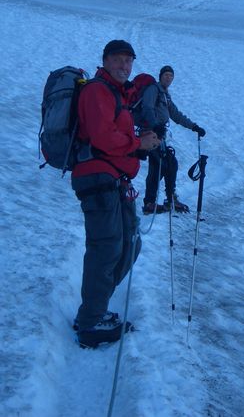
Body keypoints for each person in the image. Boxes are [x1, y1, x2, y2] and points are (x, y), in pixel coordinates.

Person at [71, 39, 160, 348]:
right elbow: (102, 136)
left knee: (129, 245)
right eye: (119, 60)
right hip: (97, 179)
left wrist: (141, 142)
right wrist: (138, 145)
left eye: (129, 61)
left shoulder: (117, 95)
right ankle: (90, 322)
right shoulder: (97, 90)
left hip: (114, 180)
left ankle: (92, 311)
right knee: (106, 247)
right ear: (105, 61)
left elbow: (115, 136)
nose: (125, 66)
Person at [139, 65, 205, 214]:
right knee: (164, 164)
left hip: (158, 134)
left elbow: (175, 114)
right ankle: (161, 201)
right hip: (150, 134)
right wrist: (155, 126)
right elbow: (147, 108)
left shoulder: (165, 95)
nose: (168, 78)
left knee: (163, 165)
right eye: (166, 75)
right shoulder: (153, 90)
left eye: (171, 76)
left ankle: (158, 201)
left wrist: (194, 127)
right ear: (160, 76)